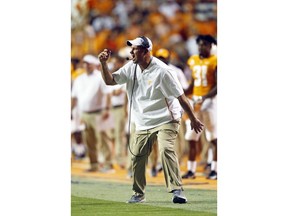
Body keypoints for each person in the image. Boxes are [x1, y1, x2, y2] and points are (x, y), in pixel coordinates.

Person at [98, 36, 203, 204]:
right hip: (143, 121)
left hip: (166, 118)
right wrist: (103, 64)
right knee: (137, 156)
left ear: (146, 51)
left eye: (135, 49)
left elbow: (182, 98)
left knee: (165, 149)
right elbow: (110, 81)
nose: (131, 52)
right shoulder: (130, 67)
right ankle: (139, 194)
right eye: (131, 48)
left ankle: (177, 190)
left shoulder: (163, 71)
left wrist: (193, 119)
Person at [182, 35, 217, 180]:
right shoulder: (193, 60)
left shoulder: (215, 61)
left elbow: (218, 85)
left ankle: (215, 169)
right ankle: (191, 170)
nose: (201, 47)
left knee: (213, 136)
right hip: (195, 103)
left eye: (205, 45)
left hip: (209, 102)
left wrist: (204, 97)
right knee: (191, 137)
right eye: (200, 45)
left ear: (211, 46)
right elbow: (193, 84)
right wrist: (182, 93)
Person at [71, 54, 114, 172]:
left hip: (99, 112)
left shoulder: (100, 77)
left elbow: (108, 94)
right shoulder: (79, 79)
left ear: (94, 65)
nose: (86, 65)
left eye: (88, 63)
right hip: (84, 113)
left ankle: (108, 164)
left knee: (104, 139)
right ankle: (94, 164)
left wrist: (107, 109)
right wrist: (71, 110)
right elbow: (74, 97)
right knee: (89, 141)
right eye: (85, 63)